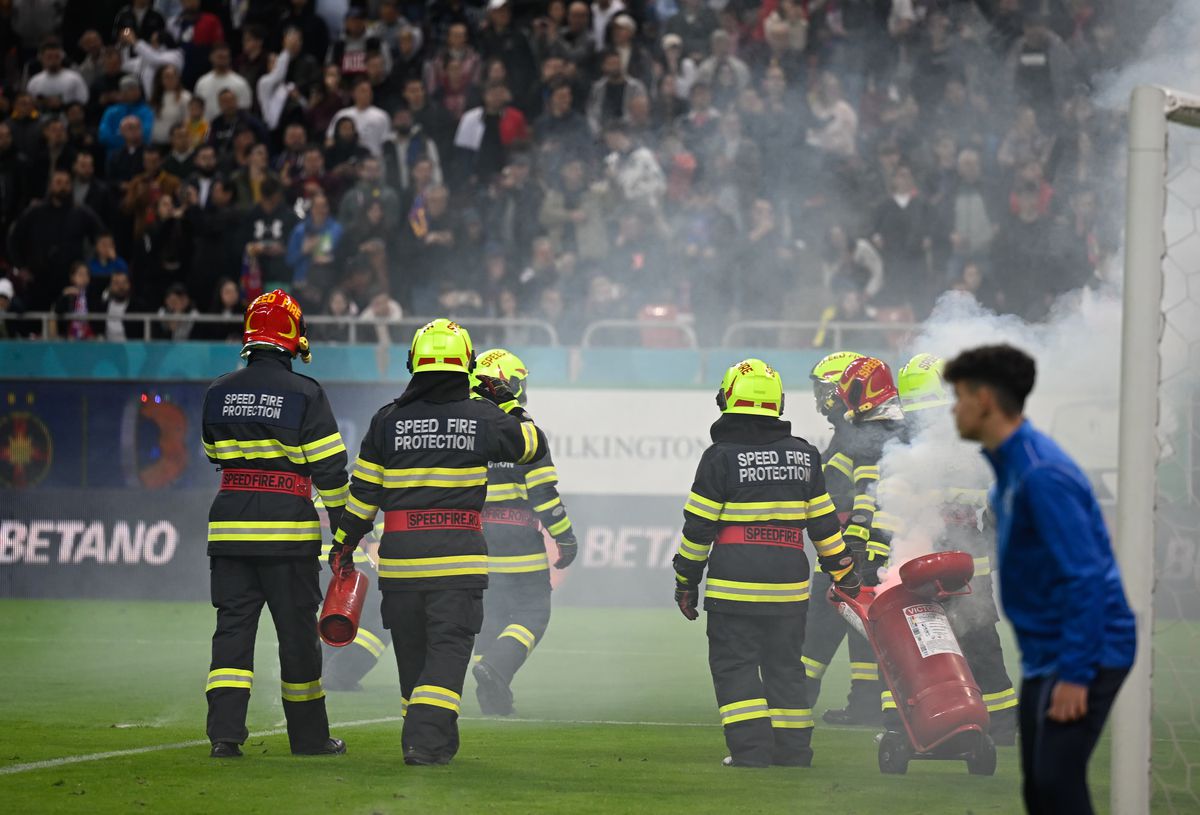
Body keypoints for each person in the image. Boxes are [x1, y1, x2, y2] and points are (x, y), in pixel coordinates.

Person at [328, 318, 549, 766]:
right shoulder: (482, 415)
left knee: (412, 654)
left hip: (401, 563)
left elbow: (363, 495)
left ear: (413, 362)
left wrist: (343, 546)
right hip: (457, 562)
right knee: (447, 651)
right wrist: (507, 402)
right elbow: (532, 445)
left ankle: (426, 739)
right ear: (465, 363)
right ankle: (425, 744)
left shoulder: (386, 420)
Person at [944, 345, 1135, 814]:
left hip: (1087, 653)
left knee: (1057, 786)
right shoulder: (1007, 470)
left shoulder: (1040, 474)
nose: (953, 409)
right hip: (1049, 652)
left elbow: (1085, 578)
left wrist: (1075, 673)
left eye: (960, 396)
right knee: (1043, 789)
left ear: (985, 399)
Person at [673, 358, 861, 767]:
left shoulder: (719, 457)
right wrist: (845, 572)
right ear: (776, 404)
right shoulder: (805, 456)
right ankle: (794, 752)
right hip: (789, 590)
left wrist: (686, 581)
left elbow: (698, 529)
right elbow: (825, 527)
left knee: (735, 666)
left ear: (728, 400)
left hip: (733, 588)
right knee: (785, 668)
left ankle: (751, 752)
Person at [200, 289, 350, 759]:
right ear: (292, 336)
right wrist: (346, 533)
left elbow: (212, 455)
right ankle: (309, 740)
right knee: (297, 639)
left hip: (229, 534)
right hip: (287, 536)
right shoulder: (306, 393)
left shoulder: (218, 390)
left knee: (232, 635)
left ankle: (224, 736)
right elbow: (329, 470)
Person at [893, 354, 1018, 745]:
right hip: (971, 567)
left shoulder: (906, 445)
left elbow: (896, 509)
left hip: (920, 567)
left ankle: (923, 720)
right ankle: (1001, 726)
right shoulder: (977, 440)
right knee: (981, 644)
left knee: (920, 647)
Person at [470, 349, 577, 715]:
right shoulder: (524, 432)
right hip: (518, 542)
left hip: (471, 542)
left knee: (490, 616)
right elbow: (545, 495)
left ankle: (493, 695)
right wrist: (565, 537)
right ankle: (495, 669)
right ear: (511, 385)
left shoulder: (461, 430)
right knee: (533, 613)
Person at [795, 352, 883, 718]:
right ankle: (863, 704)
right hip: (854, 543)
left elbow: (860, 490)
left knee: (820, 620)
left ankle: (796, 697)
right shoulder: (852, 431)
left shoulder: (855, 433)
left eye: (822, 388)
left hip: (847, 544)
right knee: (861, 628)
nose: (818, 396)